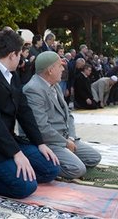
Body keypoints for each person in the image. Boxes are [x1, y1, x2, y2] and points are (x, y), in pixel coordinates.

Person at [0, 30, 60, 199]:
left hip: (8, 139)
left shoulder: (12, 75)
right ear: (12, 54)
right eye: (20, 54)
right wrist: (16, 154)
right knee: (25, 186)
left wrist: (40, 142)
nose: (21, 58)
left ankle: (15, 170)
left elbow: (24, 110)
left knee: (50, 168)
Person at [22, 51, 101, 179]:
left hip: (65, 137)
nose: (63, 69)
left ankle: (65, 159)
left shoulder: (55, 84)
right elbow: (42, 128)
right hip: (49, 142)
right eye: (60, 66)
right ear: (50, 70)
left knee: (94, 158)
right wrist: (65, 143)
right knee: (77, 169)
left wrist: (71, 137)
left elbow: (68, 114)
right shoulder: (33, 89)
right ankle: (44, 166)